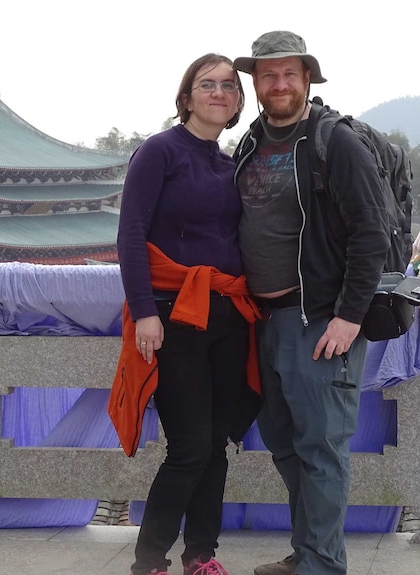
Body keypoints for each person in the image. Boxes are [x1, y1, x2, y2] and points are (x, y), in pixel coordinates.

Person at [232, 31, 391, 575]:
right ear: (256, 83)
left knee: (321, 448)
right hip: (265, 318)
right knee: (284, 442)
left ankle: (322, 565)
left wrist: (348, 317)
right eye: (268, 74)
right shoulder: (250, 142)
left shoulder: (334, 141)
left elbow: (372, 232)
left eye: (289, 74)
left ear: (307, 79)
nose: (279, 84)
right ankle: (309, 553)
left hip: (319, 318)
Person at [111, 53, 260, 575]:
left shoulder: (231, 164)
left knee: (216, 447)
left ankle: (201, 555)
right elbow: (130, 236)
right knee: (190, 447)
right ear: (187, 96)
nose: (218, 92)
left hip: (228, 315)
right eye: (207, 84)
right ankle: (149, 560)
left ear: (239, 101)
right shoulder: (159, 152)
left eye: (228, 86)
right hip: (175, 315)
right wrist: (144, 311)